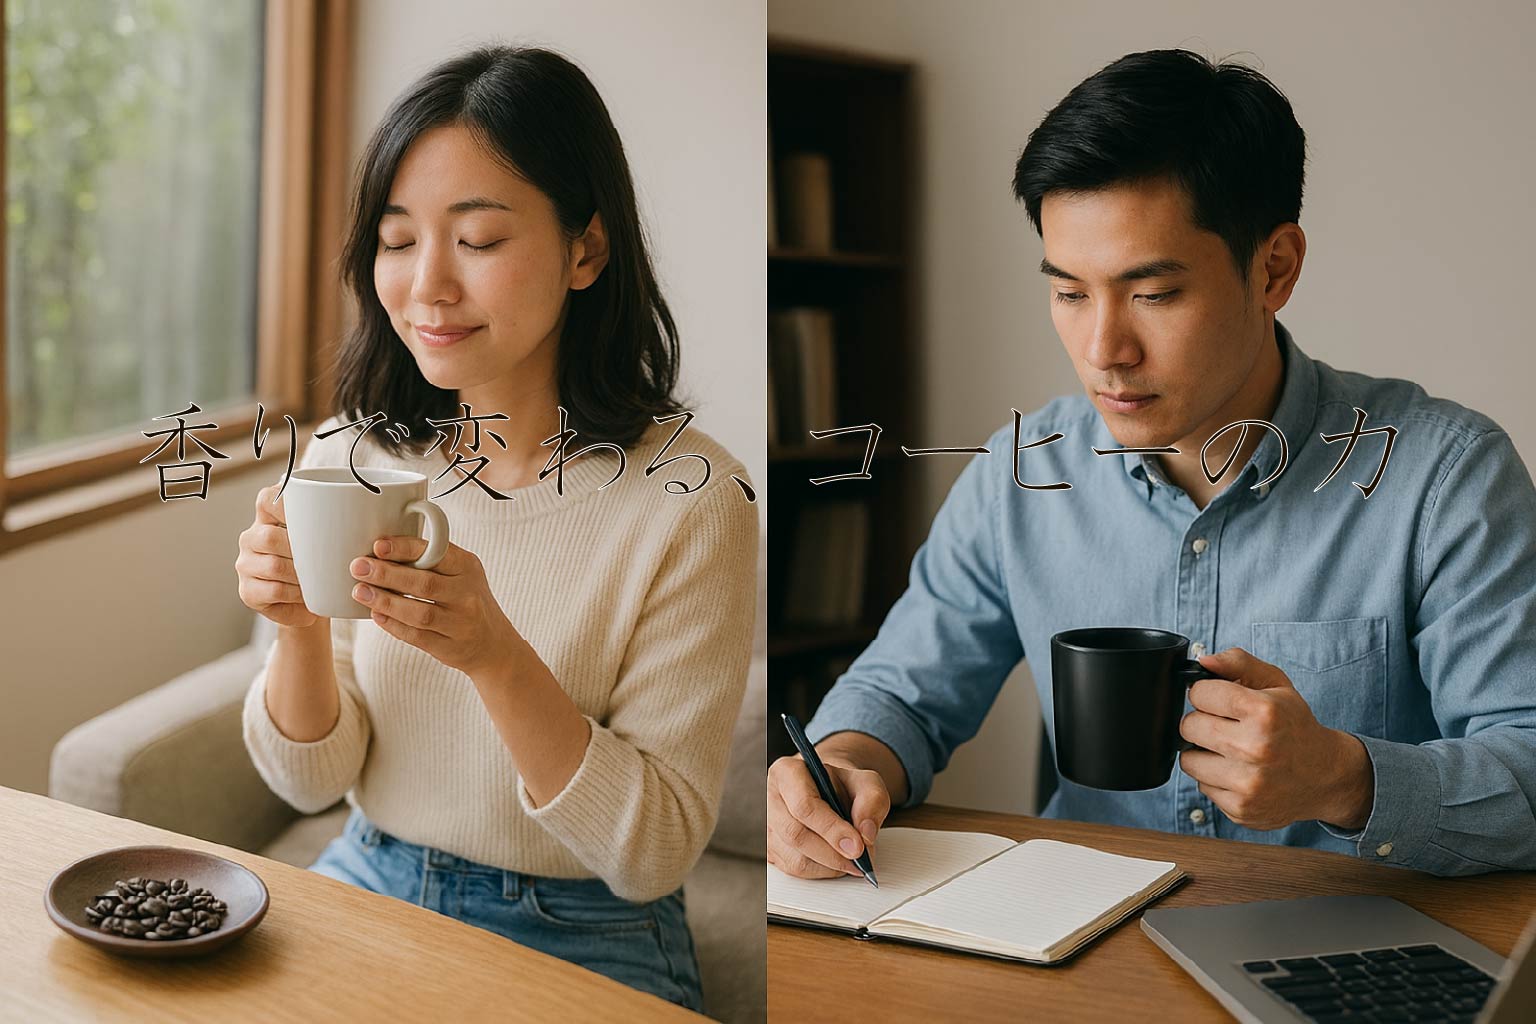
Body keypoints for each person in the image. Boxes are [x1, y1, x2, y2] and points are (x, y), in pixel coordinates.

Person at [767, 48, 1536, 883]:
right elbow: (902, 694)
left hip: (1354, 959)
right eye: (1068, 292)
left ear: (1274, 267)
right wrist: (841, 766)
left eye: (1154, 294)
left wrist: (1344, 779)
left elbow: (1527, 769)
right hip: (1080, 948)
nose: (1104, 351)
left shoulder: (1443, 478)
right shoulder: (1018, 473)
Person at [234, 45, 757, 1012]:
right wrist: (299, 626)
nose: (427, 284)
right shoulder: (352, 453)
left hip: (590, 929)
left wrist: (496, 659)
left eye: (476, 240)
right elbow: (311, 781)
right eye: (398, 240)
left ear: (586, 248)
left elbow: (654, 852)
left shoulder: (694, 498)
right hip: (374, 876)